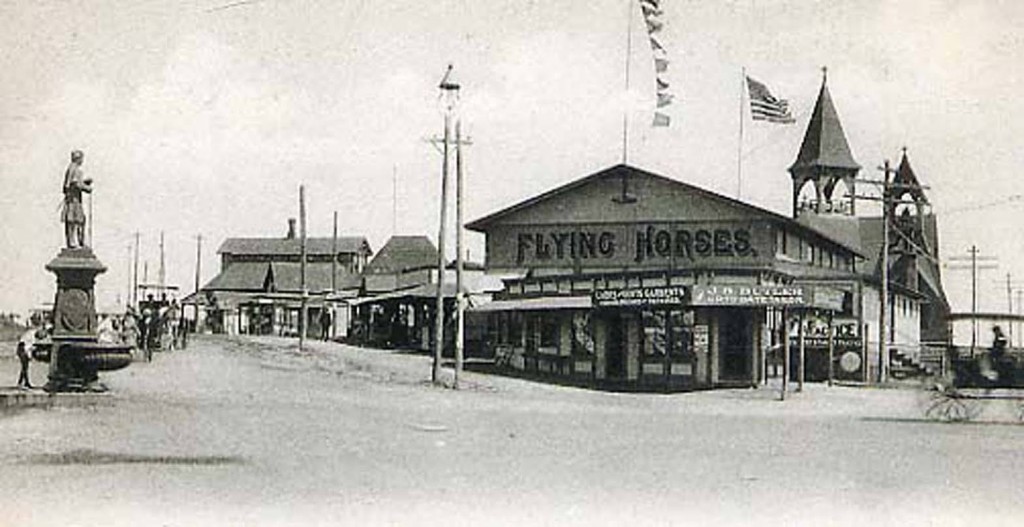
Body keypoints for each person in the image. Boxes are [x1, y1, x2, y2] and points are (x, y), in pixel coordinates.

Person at [61, 149, 92, 249]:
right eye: (81, 158)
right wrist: (87, 188)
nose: (82, 160)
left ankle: (77, 242)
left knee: (77, 220)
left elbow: (73, 182)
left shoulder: (71, 168)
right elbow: (75, 184)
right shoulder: (75, 169)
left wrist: (84, 182)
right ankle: (75, 242)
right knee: (75, 220)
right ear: (78, 159)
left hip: (74, 199)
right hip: (73, 201)